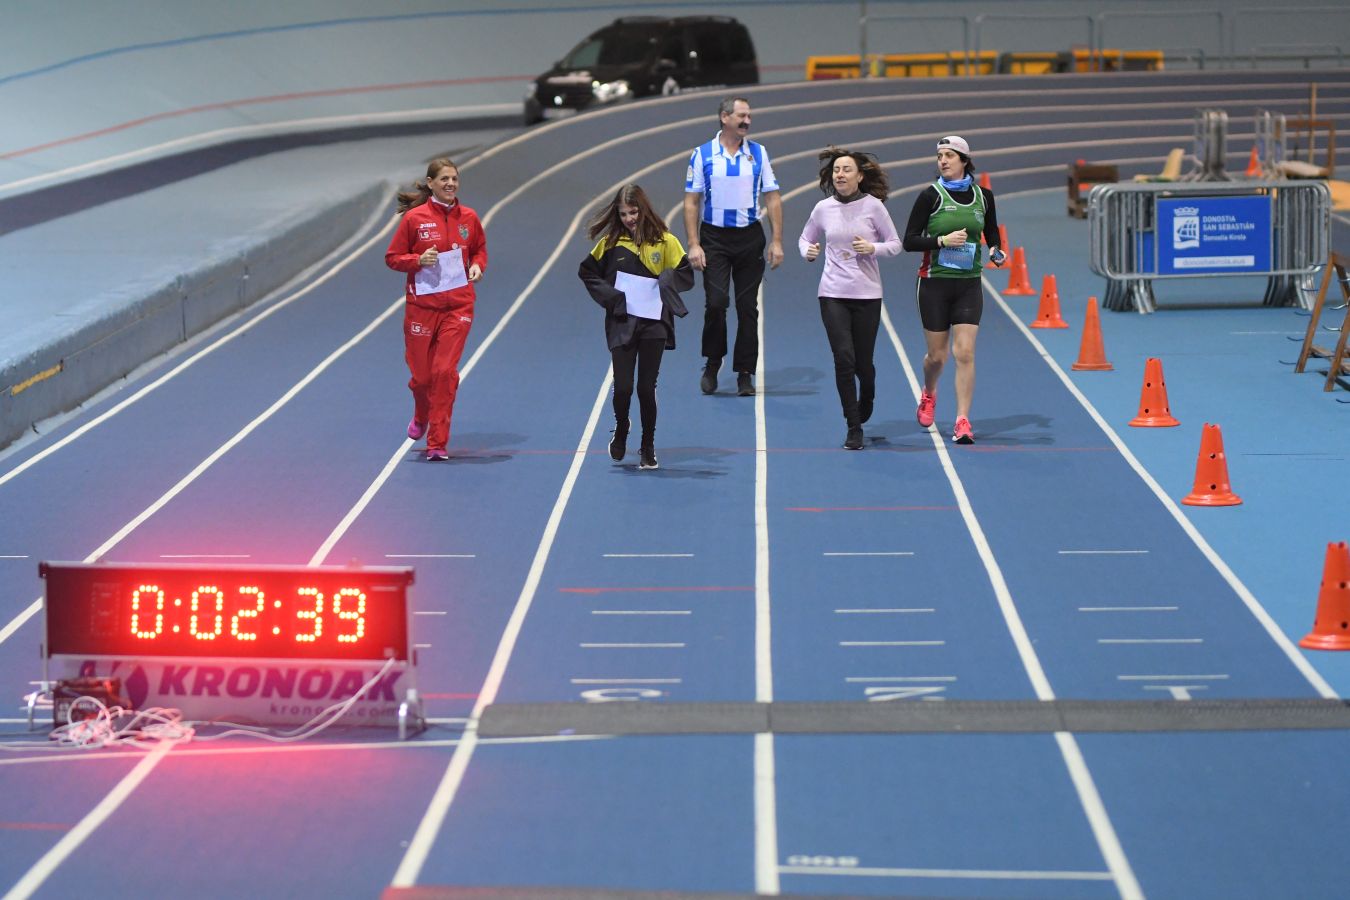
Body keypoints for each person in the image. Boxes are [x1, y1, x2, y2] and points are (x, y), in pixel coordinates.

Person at [579, 184, 694, 470]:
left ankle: (648, 445)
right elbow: (587, 272)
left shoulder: (665, 241)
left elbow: (686, 275)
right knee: (623, 388)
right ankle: (621, 427)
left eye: (634, 211)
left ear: (644, 209)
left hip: (655, 321)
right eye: (624, 214)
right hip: (622, 321)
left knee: (645, 388)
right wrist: (612, 298)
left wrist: (668, 279)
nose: (630, 218)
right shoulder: (610, 244)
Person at [902, 136, 1006, 445]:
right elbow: (909, 240)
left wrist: (997, 250)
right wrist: (941, 242)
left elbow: (991, 231)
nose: (943, 161)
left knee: (965, 352)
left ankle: (962, 420)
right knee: (938, 356)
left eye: (949, 155)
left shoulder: (983, 197)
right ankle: (929, 392)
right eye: (939, 156)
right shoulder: (929, 197)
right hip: (934, 284)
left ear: (964, 160)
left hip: (968, 284)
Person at [797, 147, 901, 450]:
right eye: (836, 170)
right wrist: (808, 252)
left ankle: (867, 391)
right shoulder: (822, 208)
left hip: (867, 294)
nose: (840, 174)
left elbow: (894, 244)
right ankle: (853, 426)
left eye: (846, 170)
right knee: (843, 359)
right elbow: (805, 238)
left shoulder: (874, 207)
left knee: (863, 364)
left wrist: (873, 249)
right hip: (832, 294)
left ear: (859, 176)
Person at [384, 158, 487, 460]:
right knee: (422, 378)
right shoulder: (414, 219)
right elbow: (392, 257)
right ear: (430, 183)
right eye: (444, 179)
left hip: (458, 306)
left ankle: (437, 442)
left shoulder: (468, 218)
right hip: (422, 308)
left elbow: (479, 249)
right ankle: (421, 414)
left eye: (454, 179)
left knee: (444, 372)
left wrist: (478, 266)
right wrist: (417, 261)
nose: (450, 184)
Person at [683, 96, 783, 397]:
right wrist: (693, 244)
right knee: (715, 303)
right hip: (714, 239)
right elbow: (691, 202)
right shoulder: (702, 155)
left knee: (747, 308)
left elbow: (773, 197)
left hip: (749, 238)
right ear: (725, 117)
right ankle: (713, 363)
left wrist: (777, 239)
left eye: (749, 116)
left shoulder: (758, 153)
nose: (747, 121)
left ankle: (744, 372)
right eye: (742, 116)